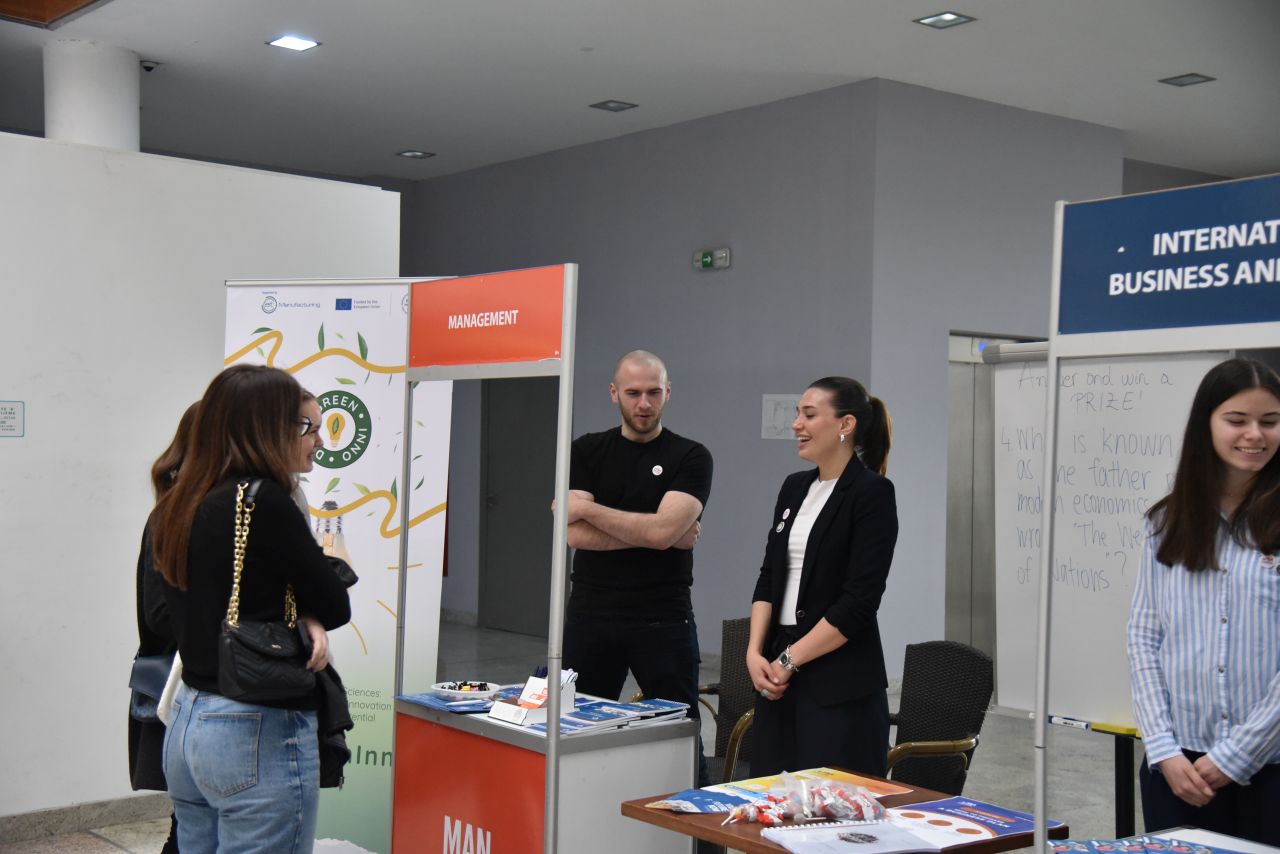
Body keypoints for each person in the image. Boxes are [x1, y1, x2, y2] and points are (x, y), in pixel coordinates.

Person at [152, 364, 351, 854]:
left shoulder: (180, 499)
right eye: (305, 427)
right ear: (266, 427)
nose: (318, 440)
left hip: (188, 719)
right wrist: (317, 600)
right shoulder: (264, 501)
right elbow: (334, 603)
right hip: (253, 726)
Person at [1126, 358, 1280, 845]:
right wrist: (1163, 749)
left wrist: (1237, 755)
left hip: (1270, 769)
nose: (1254, 435)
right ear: (1206, 425)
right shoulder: (1166, 522)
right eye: (1237, 420)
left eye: (1270, 421)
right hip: (1176, 769)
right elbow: (1144, 636)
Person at [562, 350, 713, 781]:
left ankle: (698, 825)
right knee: (577, 730)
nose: (644, 403)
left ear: (668, 393)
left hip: (662, 619)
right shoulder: (586, 450)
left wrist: (590, 511)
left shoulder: (691, 456)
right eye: (633, 393)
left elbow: (661, 532)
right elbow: (574, 536)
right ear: (614, 394)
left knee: (680, 736)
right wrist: (659, 532)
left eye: (653, 392)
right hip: (591, 616)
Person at [747, 376, 897, 778]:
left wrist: (790, 660)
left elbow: (859, 602)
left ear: (845, 424)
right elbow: (769, 576)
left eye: (809, 415)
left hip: (838, 684)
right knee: (769, 798)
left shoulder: (872, 493)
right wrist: (754, 653)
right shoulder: (794, 487)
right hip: (777, 677)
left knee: (829, 806)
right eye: (797, 413)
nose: (796, 424)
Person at [131, 401, 200, 854]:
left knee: (192, 826)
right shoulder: (173, 516)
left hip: (201, 695)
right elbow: (158, 616)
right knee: (189, 828)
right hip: (184, 695)